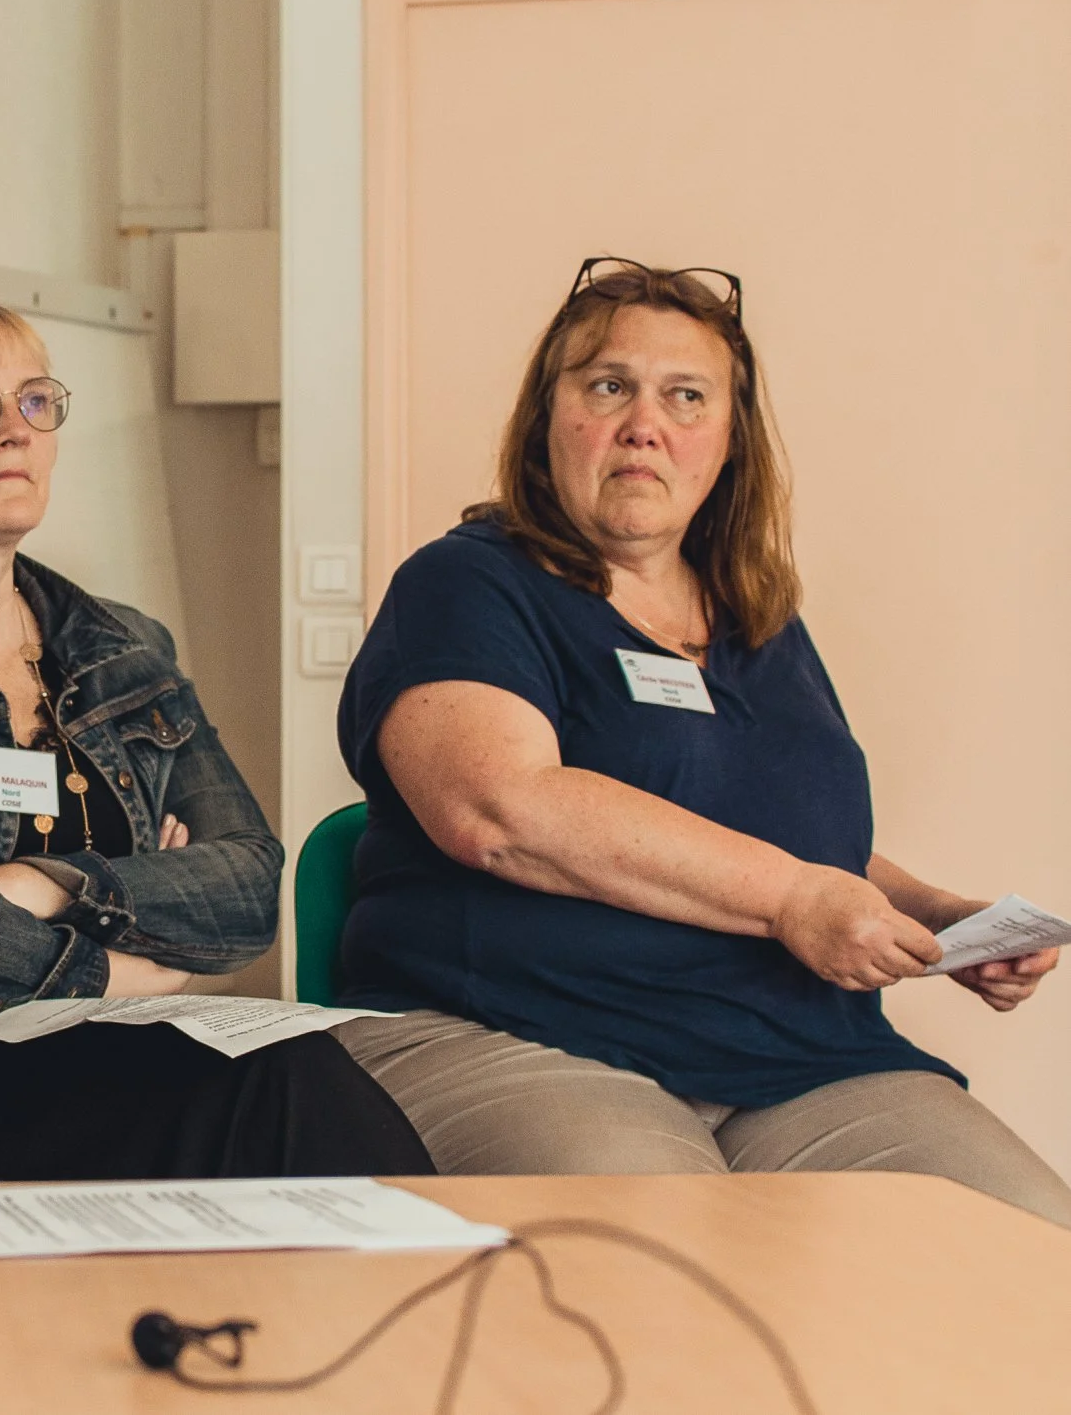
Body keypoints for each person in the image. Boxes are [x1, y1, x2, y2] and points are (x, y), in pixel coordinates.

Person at [330, 257, 1071, 1225]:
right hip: (525, 1028)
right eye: (608, 386)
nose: (645, 423)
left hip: (793, 1054)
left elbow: (781, 831)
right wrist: (795, 896)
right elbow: (497, 808)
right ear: (547, 417)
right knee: (670, 1268)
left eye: (685, 395)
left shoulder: (758, 620)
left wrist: (930, 915)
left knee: (1024, 1252)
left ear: (725, 440)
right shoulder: (470, 582)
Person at [0, 290, 432, 1184]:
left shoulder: (124, 645)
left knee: (286, 1075)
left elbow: (246, 885)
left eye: (36, 401)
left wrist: (44, 882)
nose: (16, 431)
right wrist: (116, 962)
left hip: (78, 1050)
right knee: (273, 1089)